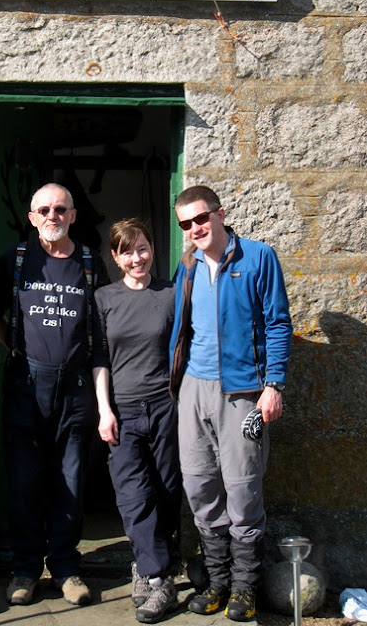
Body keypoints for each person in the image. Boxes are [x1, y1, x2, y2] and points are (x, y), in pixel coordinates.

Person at [169, 185, 292, 622]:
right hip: (193, 390)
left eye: (201, 218)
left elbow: (278, 322)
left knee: (242, 489)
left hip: (243, 393)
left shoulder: (258, 257)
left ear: (221, 214)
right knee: (200, 486)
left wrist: (273, 385)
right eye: (186, 224)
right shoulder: (187, 267)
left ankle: (245, 589)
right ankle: (217, 582)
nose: (195, 229)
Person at [0, 183, 108, 607]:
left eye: (60, 209)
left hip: (75, 385)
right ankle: (24, 569)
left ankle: (66, 568)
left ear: (73, 216)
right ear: (31, 216)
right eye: (43, 209)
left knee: (70, 479)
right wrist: (17, 349)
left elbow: (102, 328)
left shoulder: (91, 264)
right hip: (26, 383)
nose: (52, 216)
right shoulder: (15, 259)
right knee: (24, 480)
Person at [92, 218, 181, 624]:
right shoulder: (104, 299)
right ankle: (156, 575)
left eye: (142, 248)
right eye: (127, 251)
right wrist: (104, 410)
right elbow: (100, 360)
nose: (136, 258)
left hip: (164, 407)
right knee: (133, 495)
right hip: (123, 410)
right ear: (115, 257)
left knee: (165, 488)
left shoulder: (171, 295)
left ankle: (151, 567)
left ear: (152, 250)